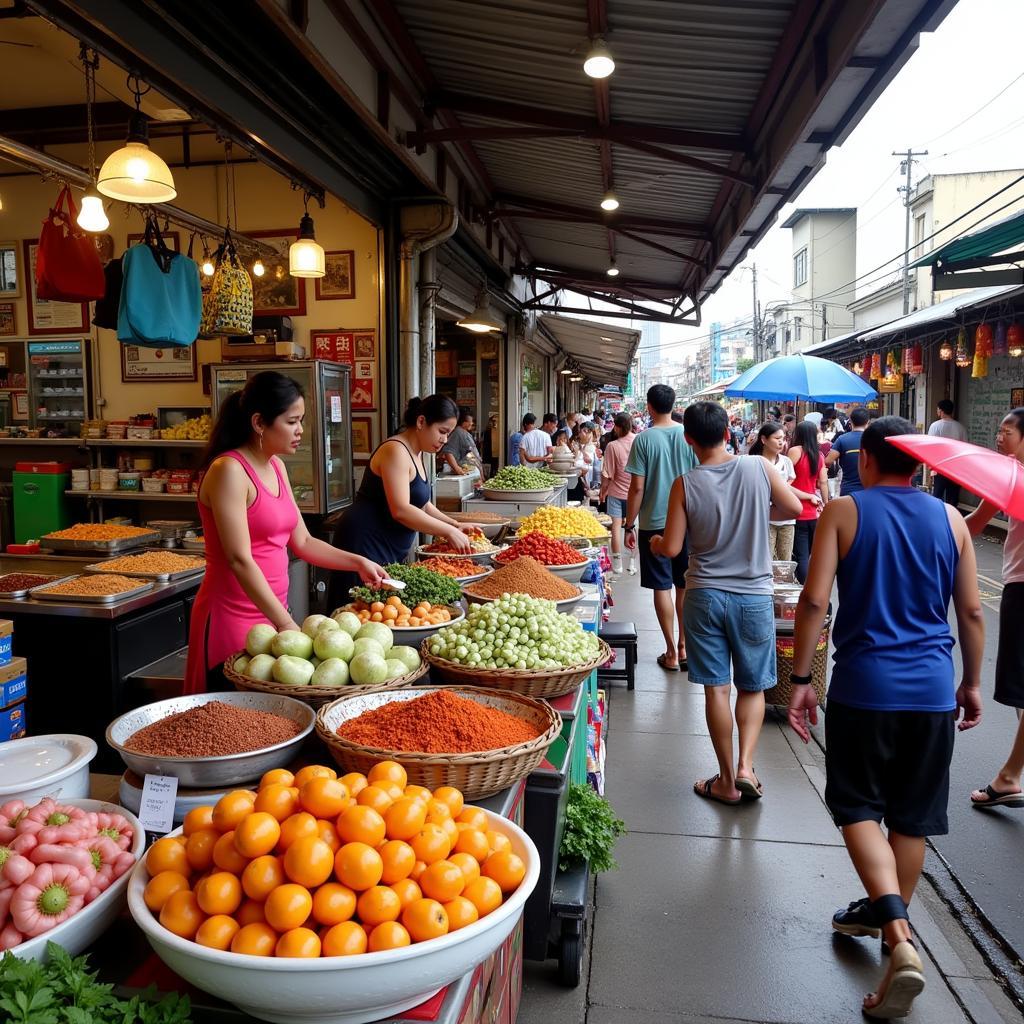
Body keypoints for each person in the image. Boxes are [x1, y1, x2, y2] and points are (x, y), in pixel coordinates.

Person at [788, 416, 983, 1020]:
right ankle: (891, 927)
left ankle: (898, 937)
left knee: (857, 807)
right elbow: (972, 613)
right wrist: (971, 684)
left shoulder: (845, 513)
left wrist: (800, 680)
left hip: (863, 690)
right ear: (917, 464)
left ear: (866, 460)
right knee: (911, 818)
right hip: (931, 695)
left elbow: (815, 600)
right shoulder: (952, 520)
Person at [184, 372, 387, 694]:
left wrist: (358, 561)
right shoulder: (229, 471)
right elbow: (239, 559)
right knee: (231, 717)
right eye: (292, 421)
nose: (301, 431)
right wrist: (286, 624)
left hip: (274, 611)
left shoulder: (276, 466)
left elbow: (303, 542)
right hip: (232, 617)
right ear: (259, 423)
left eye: (301, 420)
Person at [651, 402, 802, 804]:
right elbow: (795, 507)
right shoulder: (758, 468)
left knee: (717, 689)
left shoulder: (685, 483)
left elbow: (672, 547)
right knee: (751, 686)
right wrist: (758, 509)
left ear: (689, 440)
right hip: (753, 596)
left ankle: (724, 782)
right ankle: (745, 767)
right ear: (727, 433)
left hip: (703, 596)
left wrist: (654, 542)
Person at [329, 394, 474, 609]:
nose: (444, 440)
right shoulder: (395, 450)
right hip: (365, 541)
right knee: (359, 610)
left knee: (382, 610)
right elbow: (401, 509)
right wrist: (447, 532)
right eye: (442, 432)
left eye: (449, 434)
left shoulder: (418, 453)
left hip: (388, 545)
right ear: (421, 422)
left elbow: (423, 504)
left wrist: (455, 525)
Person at [965, 407, 1024, 808]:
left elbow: (971, 526)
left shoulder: (1012, 476)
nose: (999, 438)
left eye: (1006, 431)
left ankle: (1009, 777)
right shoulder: (1009, 477)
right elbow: (975, 523)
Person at [624, 384, 698, 672]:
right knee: (683, 585)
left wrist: (629, 524)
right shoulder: (688, 435)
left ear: (649, 407)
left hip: (653, 523)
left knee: (660, 586)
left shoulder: (643, 440)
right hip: (688, 522)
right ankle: (683, 648)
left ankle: (669, 650)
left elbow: (637, 488)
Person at [749, 422, 796, 561]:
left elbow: (790, 482)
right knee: (765, 559)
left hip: (787, 520)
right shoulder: (753, 462)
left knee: (785, 562)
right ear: (764, 440)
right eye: (777, 438)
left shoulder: (786, 461)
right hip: (764, 519)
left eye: (783, 438)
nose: (781, 442)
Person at [788, 420, 828, 583]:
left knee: (801, 556)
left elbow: (786, 480)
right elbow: (823, 482)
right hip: (814, 512)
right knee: (811, 555)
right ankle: (814, 584)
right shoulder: (819, 456)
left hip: (796, 511)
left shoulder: (794, 451)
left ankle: (805, 588)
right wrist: (825, 503)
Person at [600, 413, 636, 574]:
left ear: (618, 427)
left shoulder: (612, 446)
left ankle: (618, 564)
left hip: (615, 493)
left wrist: (603, 491)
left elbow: (606, 474)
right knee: (633, 526)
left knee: (615, 527)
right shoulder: (639, 440)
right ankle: (632, 562)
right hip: (636, 493)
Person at [928, 399, 968, 505]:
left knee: (937, 497)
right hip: (956, 469)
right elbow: (965, 448)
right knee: (953, 498)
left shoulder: (935, 426)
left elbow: (930, 447)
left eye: (937, 409)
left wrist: (930, 467)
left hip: (940, 467)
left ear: (941, 411)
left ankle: (937, 518)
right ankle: (953, 519)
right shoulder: (960, 428)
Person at [826, 406, 869, 496]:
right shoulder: (875, 439)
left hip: (848, 490)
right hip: (870, 490)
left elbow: (828, 461)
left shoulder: (842, 440)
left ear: (850, 421)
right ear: (867, 422)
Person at [439, 409, 481, 476]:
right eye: (469, 421)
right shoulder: (458, 432)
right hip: (465, 473)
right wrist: (457, 469)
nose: (472, 423)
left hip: (471, 472)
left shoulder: (464, 433)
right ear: (463, 422)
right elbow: (448, 452)